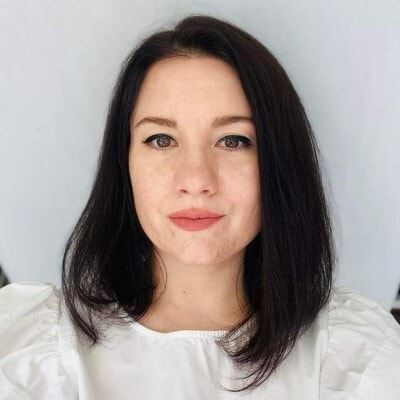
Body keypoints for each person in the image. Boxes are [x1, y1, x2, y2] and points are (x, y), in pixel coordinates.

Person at [0, 14, 399, 400]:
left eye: (233, 141)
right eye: (161, 140)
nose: (195, 180)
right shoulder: (31, 351)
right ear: (124, 164)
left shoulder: (355, 358)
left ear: (279, 163)